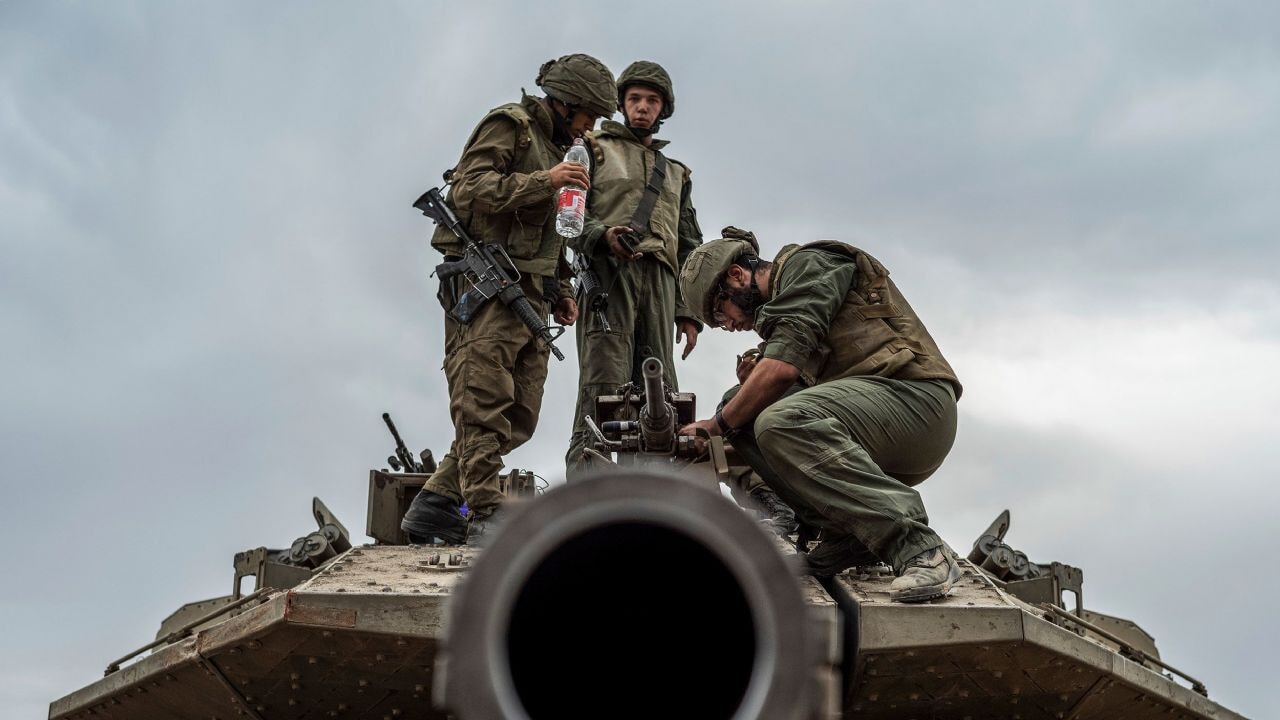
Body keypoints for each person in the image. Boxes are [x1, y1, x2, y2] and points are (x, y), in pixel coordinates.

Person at [676, 227, 964, 603]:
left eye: (720, 311)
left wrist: (715, 426)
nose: (728, 325)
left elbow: (782, 369)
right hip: (874, 417)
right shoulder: (784, 306)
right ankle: (848, 533)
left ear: (736, 275)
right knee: (742, 408)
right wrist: (740, 404)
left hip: (918, 405)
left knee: (778, 420)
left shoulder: (809, 266)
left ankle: (920, 547)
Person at [402, 55, 618, 546]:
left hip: (531, 291)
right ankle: (482, 509)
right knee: (484, 399)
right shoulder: (512, 126)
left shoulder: (563, 150)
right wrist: (547, 180)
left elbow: (551, 233)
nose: (591, 126)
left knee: (520, 413)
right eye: (589, 113)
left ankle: (435, 504)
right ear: (566, 102)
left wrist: (562, 288)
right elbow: (469, 189)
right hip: (486, 286)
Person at [562, 61, 704, 478]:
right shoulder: (592, 149)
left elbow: (690, 245)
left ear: (664, 108)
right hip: (608, 277)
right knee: (602, 389)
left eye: (652, 100)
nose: (643, 107)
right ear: (622, 104)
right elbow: (568, 215)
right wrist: (602, 236)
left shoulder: (676, 173)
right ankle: (587, 492)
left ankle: (660, 494)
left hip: (660, 282)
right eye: (635, 99)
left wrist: (689, 311)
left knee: (661, 395)